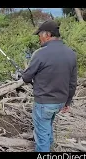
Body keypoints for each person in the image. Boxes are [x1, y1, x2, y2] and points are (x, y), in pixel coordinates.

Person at [21, 20, 77, 152]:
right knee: (47, 128)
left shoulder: (40, 53)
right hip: (60, 102)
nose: (39, 38)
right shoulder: (71, 54)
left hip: (44, 103)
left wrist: (25, 73)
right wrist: (67, 102)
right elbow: (73, 82)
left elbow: (26, 77)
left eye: (39, 35)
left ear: (47, 35)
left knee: (42, 137)